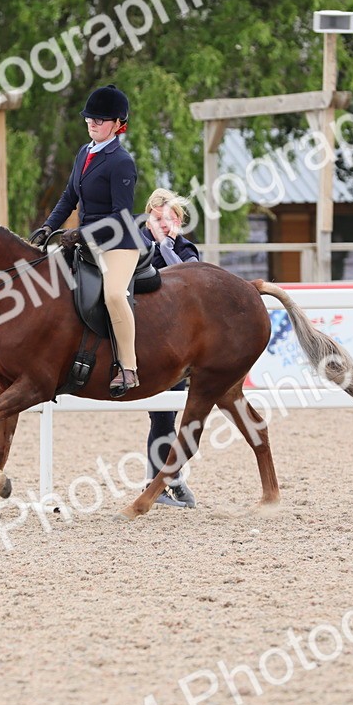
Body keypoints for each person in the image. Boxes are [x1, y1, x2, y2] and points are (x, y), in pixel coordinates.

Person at [30, 85, 143, 397]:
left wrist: (81, 233)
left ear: (119, 124)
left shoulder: (121, 161)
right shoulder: (84, 153)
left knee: (114, 296)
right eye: (89, 118)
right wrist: (47, 227)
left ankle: (128, 366)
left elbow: (122, 216)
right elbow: (69, 197)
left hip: (118, 243)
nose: (93, 123)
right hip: (84, 241)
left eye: (101, 119)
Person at [141, 188, 200, 507]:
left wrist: (167, 244)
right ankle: (163, 482)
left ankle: (165, 481)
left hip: (178, 343)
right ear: (148, 217)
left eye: (172, 217)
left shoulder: (185, 247)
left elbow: (189, 276)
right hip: (148, 340)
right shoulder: (135, 244)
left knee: (166, 416)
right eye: (159, 217)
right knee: (162, 416)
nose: (166, 223)